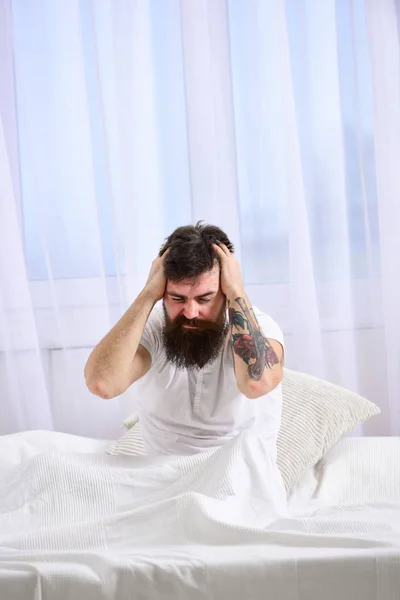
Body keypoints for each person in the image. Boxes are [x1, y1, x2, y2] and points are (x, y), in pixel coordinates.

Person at [85, 222, 284, 456]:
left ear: (224, 291)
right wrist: (148, 293)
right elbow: (103, 384)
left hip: (236, 475)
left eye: (204, 299)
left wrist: (237, 292)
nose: (190, 312)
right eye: (177, 298)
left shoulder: (261, 327)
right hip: (162, 477)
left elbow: (256, 383)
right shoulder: (155, 326)